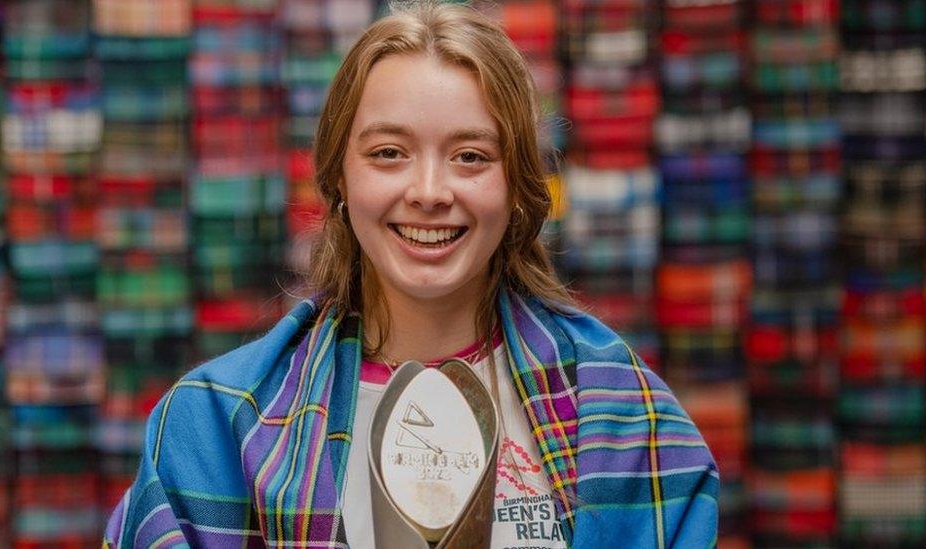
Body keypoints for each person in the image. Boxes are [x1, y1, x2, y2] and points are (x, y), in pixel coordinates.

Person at [103, 2, 718, 547]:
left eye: (470, 156)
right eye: (388, 153)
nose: (428, 192)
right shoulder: (213, 427)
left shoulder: (626, 419)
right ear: (339, 178)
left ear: (519, 189)